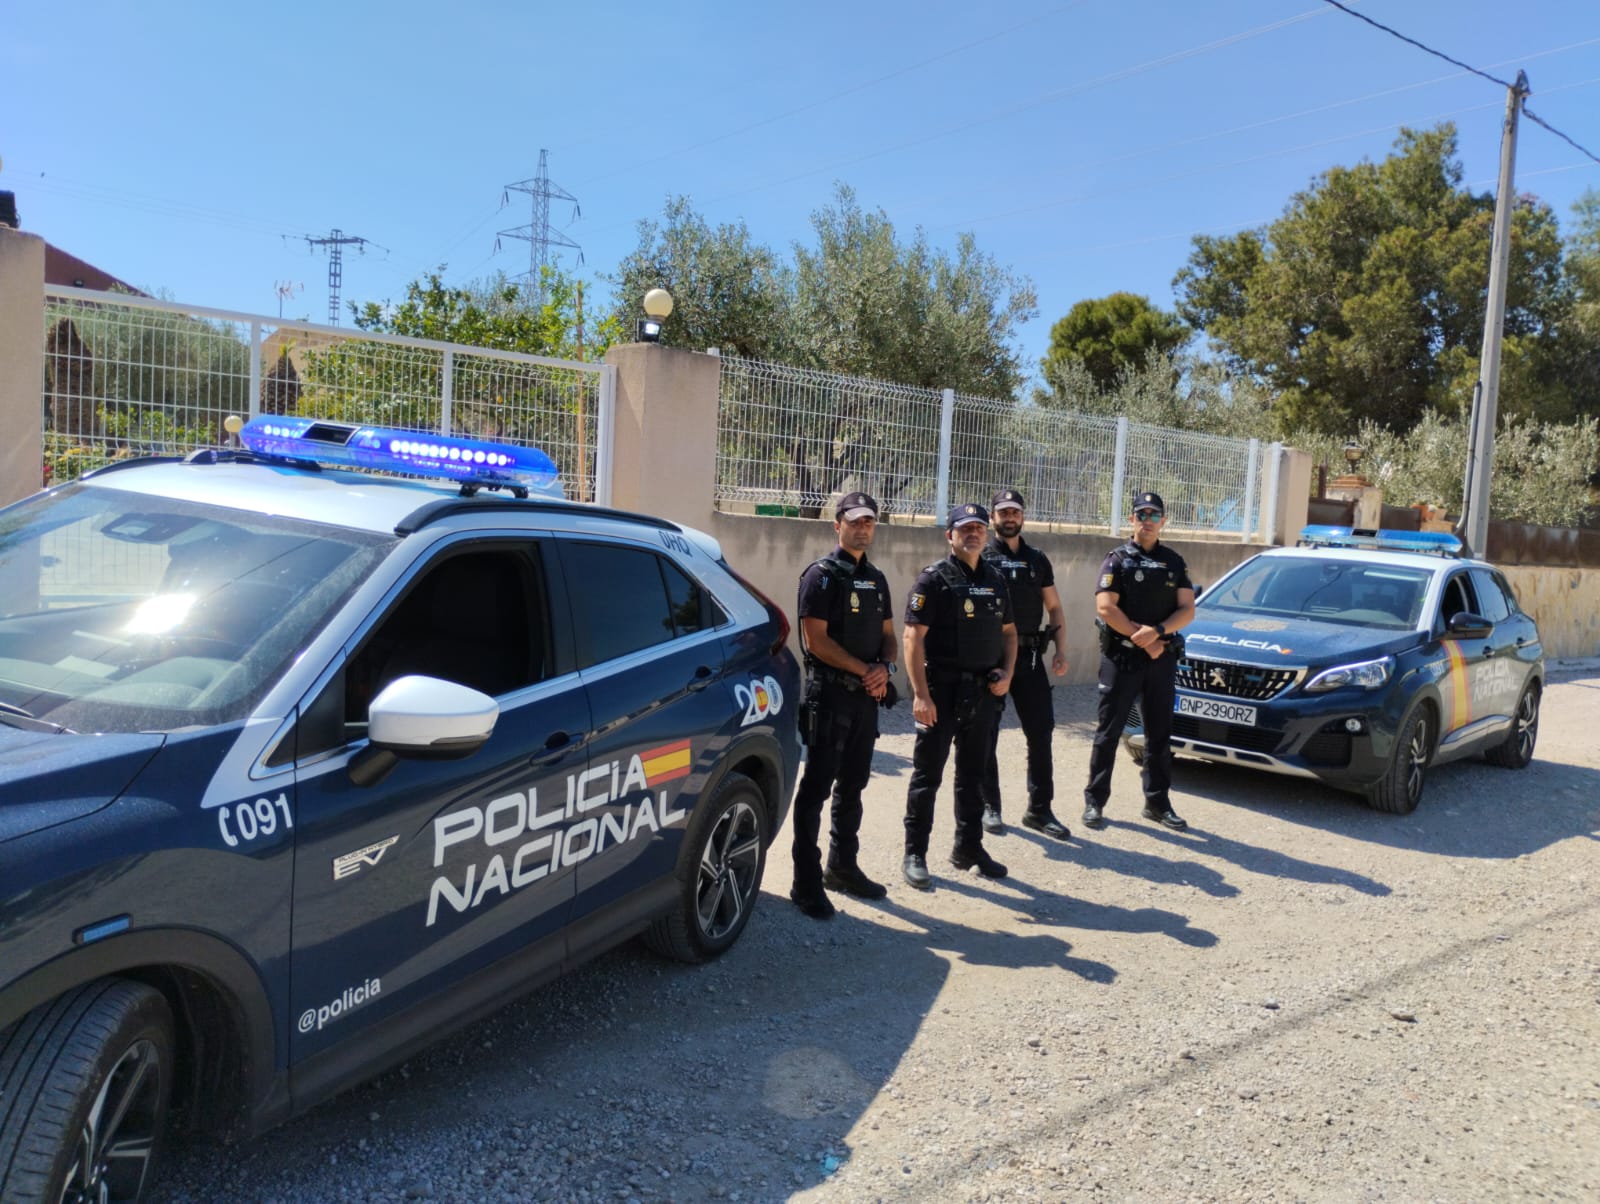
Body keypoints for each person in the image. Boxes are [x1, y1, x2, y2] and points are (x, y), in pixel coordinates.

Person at [789, 491, 898, 919]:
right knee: (816, 787)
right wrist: (862, 670)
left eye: (869, 522)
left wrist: (884, 667)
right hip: (830, 696)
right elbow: (815, 640)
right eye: (854, 521)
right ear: (837, 526)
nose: (862, 528)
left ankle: (843, 866)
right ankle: (805, 880)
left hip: (865, 700)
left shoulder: (877, 578)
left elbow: (889, 634)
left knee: (853, 786)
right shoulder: (821, 576)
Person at [901, 503, 1018, 889]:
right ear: (949, 535)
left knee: (972, 775)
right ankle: (915, 853)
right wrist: (920, 695)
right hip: (942, 692)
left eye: (979, 528)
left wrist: (1008, 672)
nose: (973, 533)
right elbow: (912, 639)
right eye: (964, 528)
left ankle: (968, 848)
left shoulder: (997, 579)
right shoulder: (933, 580)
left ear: (986, 535)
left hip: (983, 693)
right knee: (927, 776)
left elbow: (1009, 633)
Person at [1082, 491, 1197, 832]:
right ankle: (1094, 802)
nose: (1147, 520)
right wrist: (1141, 638)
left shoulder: (1174, 562)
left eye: (1154, 515)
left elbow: (1187, 609)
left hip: (1160, 659)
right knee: (1108, 732)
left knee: (1159, 735)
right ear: (1131, 520)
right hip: (1122, 658)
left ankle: (1158, 803)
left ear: (1163, 521)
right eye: (1141, 514)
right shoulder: (1116, 559)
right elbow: (1105, 607)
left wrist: (1158, 633)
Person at [978, 488, 1071, 840]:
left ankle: (1039, 809)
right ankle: (990, 806)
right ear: (993, 518)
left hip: (1031, 657)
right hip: (993, 658)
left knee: (1041, 732)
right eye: (1003, 512)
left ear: (1023, 517)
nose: (1009, 518)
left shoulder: (1037, 559)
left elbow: (1055, 607)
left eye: (1015, 512)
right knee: (987, 732)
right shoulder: (982, 556)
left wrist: (1061, 651)